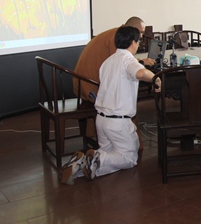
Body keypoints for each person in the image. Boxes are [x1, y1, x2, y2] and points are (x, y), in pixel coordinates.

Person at [61, 26, 158, 185]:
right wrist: (156, 79)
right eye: (138, 41)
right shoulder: (128, 60)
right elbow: (141, 73)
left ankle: (79, 166)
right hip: (118, 122)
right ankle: (96, 157)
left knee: (111, 154)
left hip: (101, 120)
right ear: (133, 42)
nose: (138, 45)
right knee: (129, 158)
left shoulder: (107, 62)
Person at [73, 16, 155, 102]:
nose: (141, 36)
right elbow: (121, 62)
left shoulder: (116, 33)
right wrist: (141, 62)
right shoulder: (117, 37)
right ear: (132, 29)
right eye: (140, 32)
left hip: (82, 82)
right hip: (90, 85)